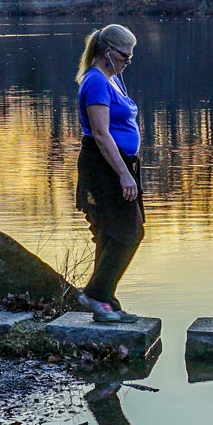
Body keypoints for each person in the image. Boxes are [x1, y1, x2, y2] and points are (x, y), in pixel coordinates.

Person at [75, 24, 143, 323]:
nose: (129, 61)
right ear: (107, 52)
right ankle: (96, 295)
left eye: (131, 55)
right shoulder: (96, 82)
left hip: (120, 164)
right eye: (124, 55)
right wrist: (123, 175)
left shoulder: (113, 80)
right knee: (128, 232)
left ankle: (106, 299)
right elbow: (101, 134)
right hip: (104, 167)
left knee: (113, 232)